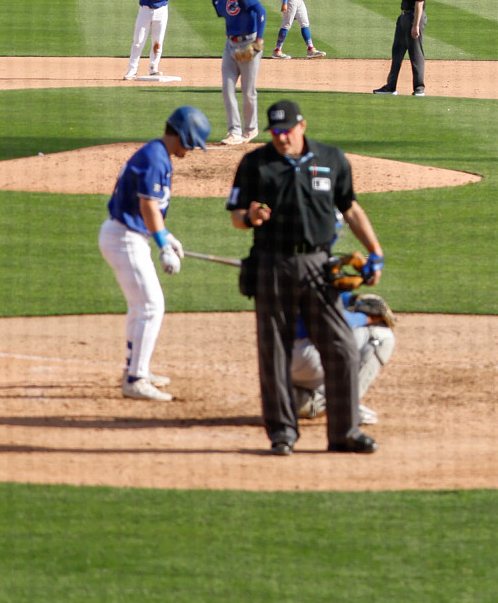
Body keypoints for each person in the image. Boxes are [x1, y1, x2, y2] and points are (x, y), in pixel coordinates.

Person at [228, 99, 385, 456]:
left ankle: (344, 432)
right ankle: (282, 433)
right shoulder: (255, 163)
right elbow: (236, 216)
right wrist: (249, 215)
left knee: (342, 347)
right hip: (271, 264)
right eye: (275, 133)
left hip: (318, 264)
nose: (282, 138)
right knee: (274, 352)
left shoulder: (331, 160)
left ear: (302, 126)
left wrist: (375, 250)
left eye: (287, 131)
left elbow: (351, 208)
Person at [99, 105, 209, 401]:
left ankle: (136, 369)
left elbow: (147, 206)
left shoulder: (157, 154)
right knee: (151, 306)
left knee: (141, 306)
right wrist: (162, 245)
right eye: (193, 143)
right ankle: (135, 380)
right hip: (124, 238)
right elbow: (148, 206)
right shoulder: (155, 158)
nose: (194, 149)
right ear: (184, 136)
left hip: (126, 235)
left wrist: (167, 236)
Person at [292, 291, 397, 426]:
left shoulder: (280, 277)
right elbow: (335, 317)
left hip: (280, 360)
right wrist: (366, 318)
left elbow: (319, 293)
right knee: (382, 335)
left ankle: (302, 401)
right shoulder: (311, 276)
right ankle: (347, 407)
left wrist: (353, 298)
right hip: (308, 357)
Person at [199, 0, 265, 146]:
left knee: (248, 91)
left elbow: (261, 11)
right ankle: (234, 132)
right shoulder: (216, 1)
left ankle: (251, 129)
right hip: (230, 46)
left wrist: (258, 40)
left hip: (249, 42)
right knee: (227, 89)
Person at [373, 0, 427, 96]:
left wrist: (416, 25)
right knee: (397, 52)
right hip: (403, 18)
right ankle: (391, 87)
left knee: (416, 55)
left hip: (413, 18)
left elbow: (419, 2)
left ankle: (419, 89)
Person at [125, 0, 179, 80]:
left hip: (161, 11)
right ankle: (132, 71)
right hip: (145, 10)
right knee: (138, 41)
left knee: (157, 42)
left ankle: (154, 68)